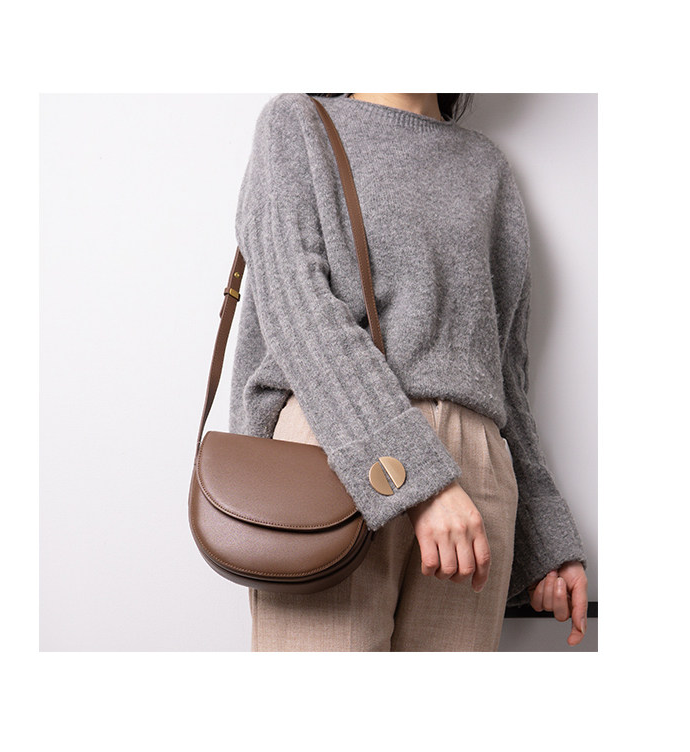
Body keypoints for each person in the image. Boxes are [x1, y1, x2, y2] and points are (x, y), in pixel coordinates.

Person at [228, 92, 589, 651]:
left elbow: (504, 370)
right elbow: (298, 313)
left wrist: (545, 538)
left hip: (476, 475)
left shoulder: (486, 167)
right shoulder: (298, 123)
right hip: (331, 452)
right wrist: (417, 481)